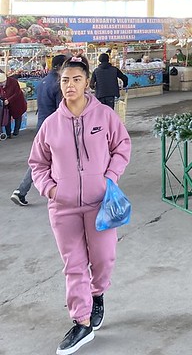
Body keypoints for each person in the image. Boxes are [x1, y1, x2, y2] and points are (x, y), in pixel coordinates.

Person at [29, 55, 131, 354]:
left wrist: (109, 178)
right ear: (59, 84)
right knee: (73, 265)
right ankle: (82, 321)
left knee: (103, 259)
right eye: (65, 80)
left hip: (101, 203)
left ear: (87, 82)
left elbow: (122, 146)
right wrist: (51, 189)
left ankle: (97, 293)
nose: (70, 85)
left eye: (76, 79)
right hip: (63, 207)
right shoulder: (51, 125)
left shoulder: (105, 117)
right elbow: (38, 163)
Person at [11, 54, 67, 206]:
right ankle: (23, 190)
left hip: (41, 124)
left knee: (42, 159)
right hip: (55, 127)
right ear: (61, 66)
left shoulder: (43, 82)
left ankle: (22, 191)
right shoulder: (58, 84)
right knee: (49, 159)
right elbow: (62, 110)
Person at [0, 70, 27, 138]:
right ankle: (8, 134)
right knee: (7, 117)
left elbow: (17, 93)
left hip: (17, 102)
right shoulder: (1, 84)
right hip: (6, 103)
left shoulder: (13, 82)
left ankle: (16, 132)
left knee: (18, 116)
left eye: (2, 83)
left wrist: (9, 100)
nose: (1, 85)